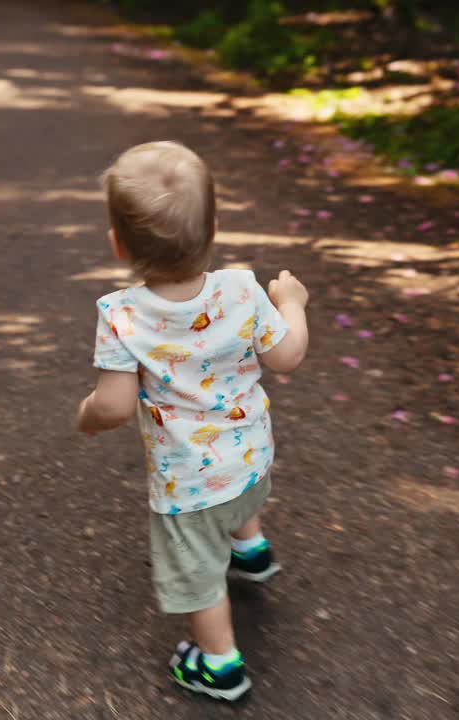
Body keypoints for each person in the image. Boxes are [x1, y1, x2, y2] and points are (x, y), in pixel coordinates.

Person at [74, 141, 309, 702]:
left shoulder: (122, 315)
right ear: (215, 228)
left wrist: (86, 416)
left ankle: (219, 664)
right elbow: (287, 357)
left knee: (199, 575)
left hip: (190, 486)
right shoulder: (243, 289)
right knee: (240, 500)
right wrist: (292, 304)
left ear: (116, 243)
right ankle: (251, 553)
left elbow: (110, 404)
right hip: (251, 456)